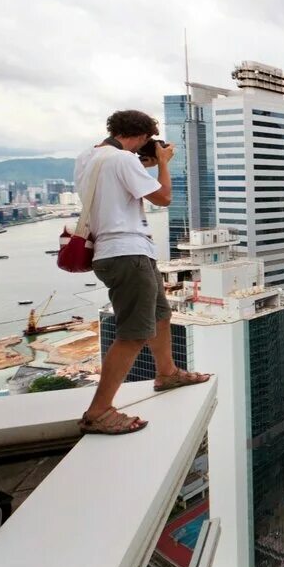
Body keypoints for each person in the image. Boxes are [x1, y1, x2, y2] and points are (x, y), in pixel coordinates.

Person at [74, 110, 210, 435]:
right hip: (127, 252)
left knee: (161, 313)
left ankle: (167, 372)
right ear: (142, 137)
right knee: (133, 333)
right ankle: (99, 410)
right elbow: (164, 198)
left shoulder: (89, 157)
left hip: (118, 252)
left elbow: (117, 188)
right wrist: (162, 162)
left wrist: (143, 163)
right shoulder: (123, 160)